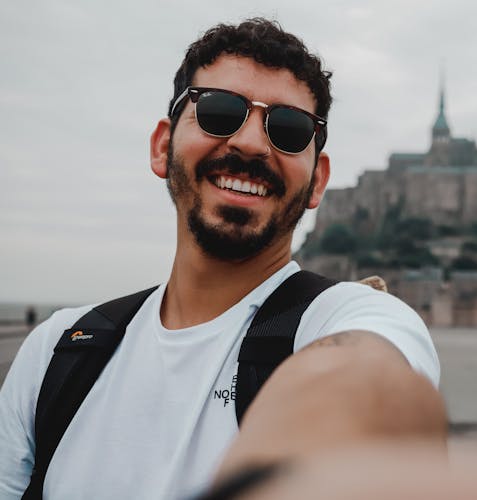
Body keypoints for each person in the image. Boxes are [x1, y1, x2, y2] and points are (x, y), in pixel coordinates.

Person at [0, 18, 444, 500]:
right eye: (217, 112)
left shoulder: (350, 317)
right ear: (163, 145)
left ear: (318, 181)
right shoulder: (56, 352)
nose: (252, 143)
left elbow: (376, 380)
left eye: (290, 129)